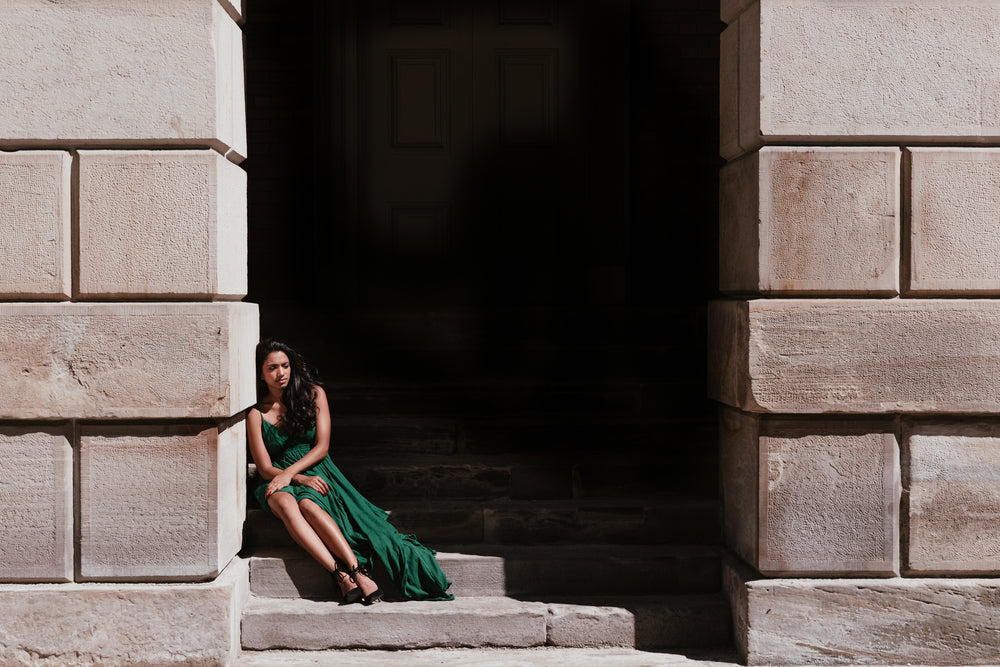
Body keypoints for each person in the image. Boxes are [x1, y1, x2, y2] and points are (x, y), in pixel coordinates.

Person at [247, 338, 454, 604]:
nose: (281, 373)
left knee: (310, 507)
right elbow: (264, 467)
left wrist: (296, 473)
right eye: (272, 368)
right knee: (287, 502)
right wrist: (291, 476)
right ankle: (339, 574)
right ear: (261, 375)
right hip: (276, 479)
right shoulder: (256, 414)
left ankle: (356, 569)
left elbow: (321, 447)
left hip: (317, 468)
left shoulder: (313, 394)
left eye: (285, 365)